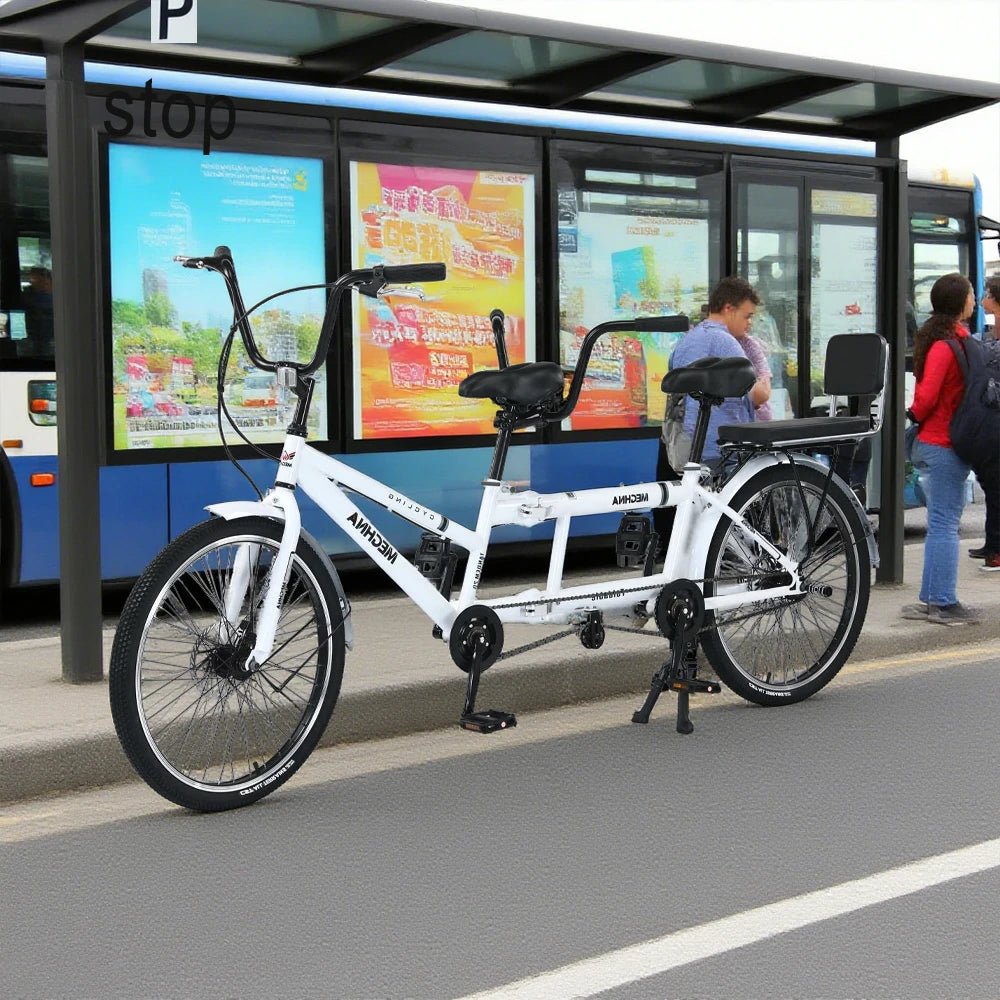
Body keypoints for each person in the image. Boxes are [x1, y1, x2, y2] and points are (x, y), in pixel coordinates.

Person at [654, 276, 760, 544]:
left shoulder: (687, 340)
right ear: (728, 308)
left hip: (687, 442)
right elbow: (756, 391)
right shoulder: (725, 342)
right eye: (747, 316)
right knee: (728, 524)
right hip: (719, 448)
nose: (749, 324)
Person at [901, 272, 981, 625]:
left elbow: (924, 401)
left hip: (940, 439)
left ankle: (933, 599)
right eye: (971, 295)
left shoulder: (946, 341)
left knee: (941, 523)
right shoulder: (953, 344)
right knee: (945, 524)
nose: (976, 301)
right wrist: (917, 413)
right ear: (959, 302)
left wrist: (914, 415)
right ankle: (942, 602)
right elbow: (928, 396)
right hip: (944, 443)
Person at [968, 274, 1000, 569]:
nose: (981, 297)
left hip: (994, 416)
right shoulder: (989, 333)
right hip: (990, 417)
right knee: (992, 484)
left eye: (987, 292)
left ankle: (996, 547)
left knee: (995, 484)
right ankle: (993, 543)